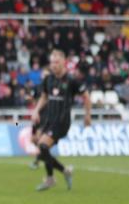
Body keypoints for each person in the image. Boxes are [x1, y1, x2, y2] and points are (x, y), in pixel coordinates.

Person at [31, 50, 91, 191]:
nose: (53, 65)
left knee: (43, 147)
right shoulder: (49, 79)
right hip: (49, 120)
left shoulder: (71, 80)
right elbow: (44, 96)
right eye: (51, 62)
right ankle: (59, 174)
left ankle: (56, 176)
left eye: (56, 62)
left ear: (64, 62)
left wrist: (87, 115)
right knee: (42, 150)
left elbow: (86, 96)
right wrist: (36, 110)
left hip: (62, 121)